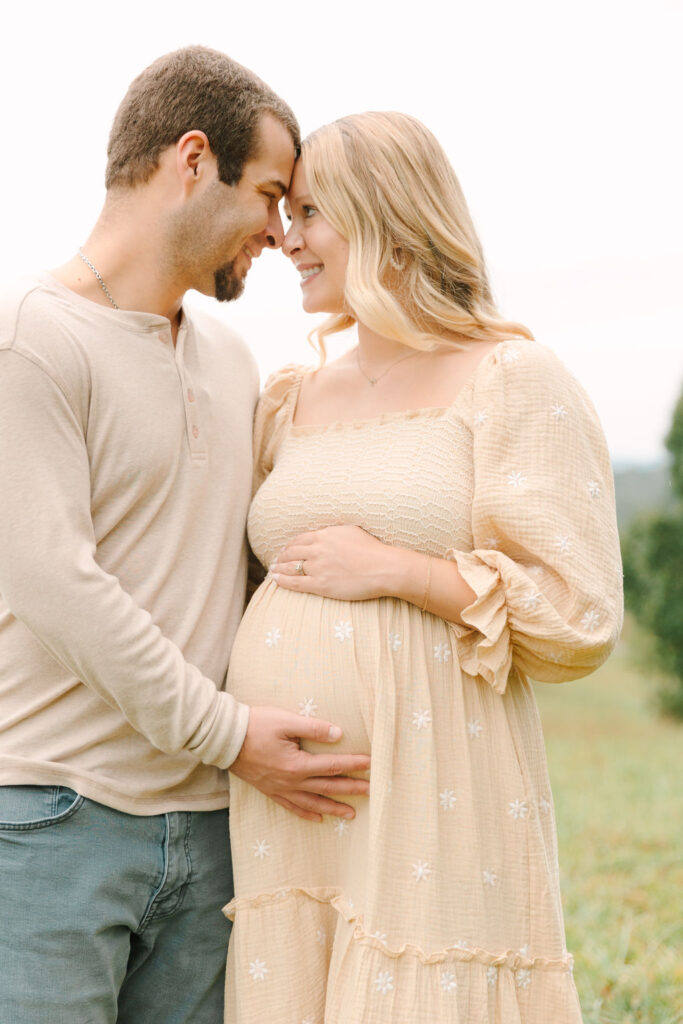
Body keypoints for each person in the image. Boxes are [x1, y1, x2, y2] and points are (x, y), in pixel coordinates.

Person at [222, 111, 623, 1023]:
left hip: (435, 781)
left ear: (384, 218)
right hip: (288, 809)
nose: (287, 239)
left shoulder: (511, 377)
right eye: (286, 210)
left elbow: (577, 614)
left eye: (312, 211)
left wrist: (399, 569)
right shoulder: (290, 397)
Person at [0, 47, 370, 1024]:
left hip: (212, 829)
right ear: (193, 160)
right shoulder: (31, 338)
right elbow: (54, 582)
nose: (280, 232)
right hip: (51, 822)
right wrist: (228, 734)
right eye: (270, 194)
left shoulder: (232, 358)